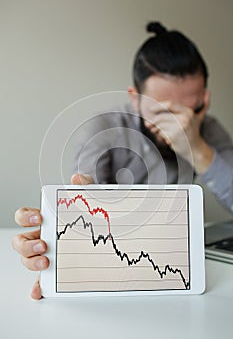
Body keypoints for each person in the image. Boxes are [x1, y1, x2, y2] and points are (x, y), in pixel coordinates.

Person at [12, 22, 233, 300]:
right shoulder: (103, 128)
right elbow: (86, 209)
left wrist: (197, 148)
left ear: (205, 99)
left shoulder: (209, 131)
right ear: (136, 100)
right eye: (163, 112)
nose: (180, 122)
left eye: (191, 110)